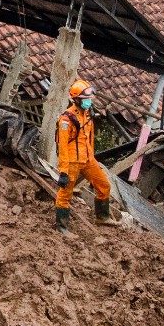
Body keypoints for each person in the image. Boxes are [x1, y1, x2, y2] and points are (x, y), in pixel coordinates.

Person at [53, 79, 113, 231]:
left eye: (89, 100)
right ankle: (62, 227)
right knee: (65, 195)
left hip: (87, 159)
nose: (89, 103)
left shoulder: (87, 114)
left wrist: (92, 158)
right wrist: (63, 171)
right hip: (72, 161)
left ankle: (102, 217)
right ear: (77, 99)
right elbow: (63, 147)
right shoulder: (66, 119)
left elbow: (90, 138)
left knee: (104, 186)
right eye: (86, 100)